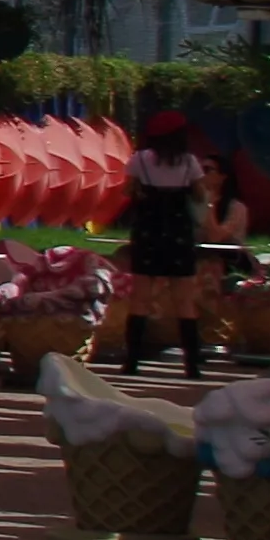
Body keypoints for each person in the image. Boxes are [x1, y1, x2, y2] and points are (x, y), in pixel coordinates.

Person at [116, 107, 232, 378]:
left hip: (149, 230)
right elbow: (199, 194)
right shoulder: (189, 162)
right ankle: (192, 364)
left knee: (141, 297)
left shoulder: (140, 160)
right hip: (178, 231)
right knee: (184, 300)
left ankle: (132, 361)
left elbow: (127, 190)